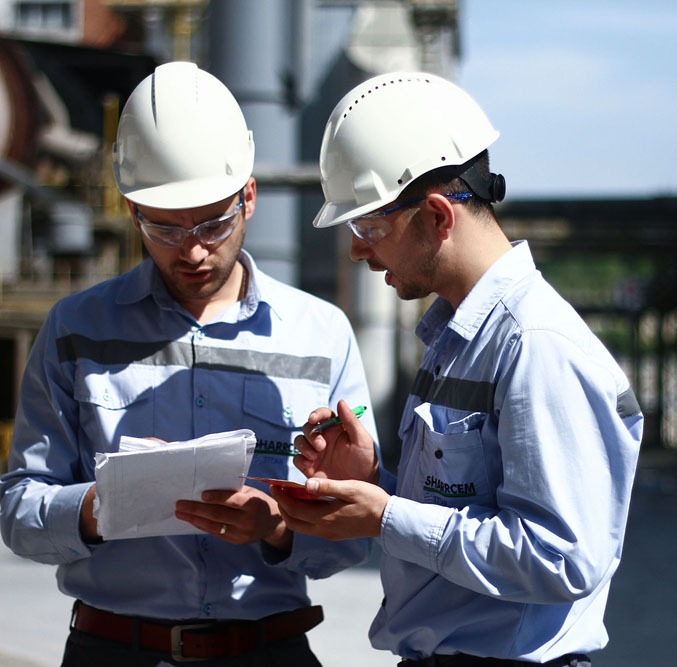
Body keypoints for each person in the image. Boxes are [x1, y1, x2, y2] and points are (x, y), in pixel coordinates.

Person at [0, 61, 379, 667]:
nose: (194, 249)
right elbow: (21, 513)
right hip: (115, 650)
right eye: (164, 229)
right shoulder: (76, 330)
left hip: (266, 650)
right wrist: (103, 507)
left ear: (248, 197)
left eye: (212, 222)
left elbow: (354, 540)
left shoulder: (321, 334)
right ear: (131, 212)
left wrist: (278, 529)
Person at [272, 72, 643, 666]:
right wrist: (375, 485)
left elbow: (562, 557)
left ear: (439, 216)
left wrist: (388, 516)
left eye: (369, 227)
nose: (357, 251)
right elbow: (458, 513)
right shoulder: (456, 339)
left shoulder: (535, 346)